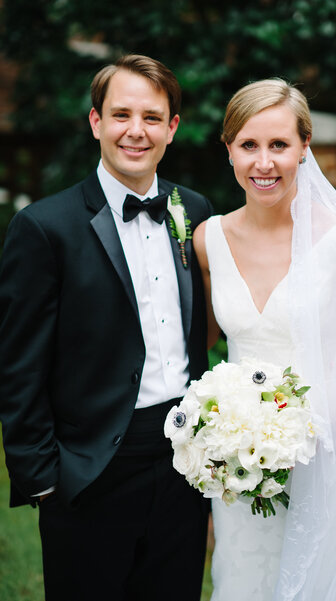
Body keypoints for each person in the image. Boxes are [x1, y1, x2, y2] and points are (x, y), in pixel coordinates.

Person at [0, 54, 212, 601]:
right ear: (96, 122)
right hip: (91, 469)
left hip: (183, 462)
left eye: (151, 116)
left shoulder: (195, 210)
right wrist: (43, 479)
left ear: (172, 128)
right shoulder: (44, 227)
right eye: (120, 114)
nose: (135, 131)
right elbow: (18, 365)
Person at [194, 78, 336, 600]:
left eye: (280, 145)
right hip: (242, 468)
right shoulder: (208, 238)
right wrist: (216, 431)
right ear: (229, 150)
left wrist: (311, 425)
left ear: (304, 148)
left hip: (325, 455)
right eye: (249, 145)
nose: (264, 163)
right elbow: (202, 344)